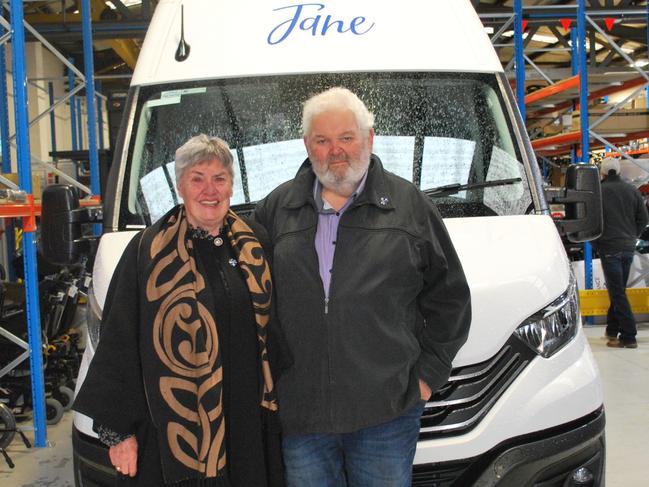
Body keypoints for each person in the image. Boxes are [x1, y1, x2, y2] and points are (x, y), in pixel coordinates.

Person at [254, 87, 472, 486]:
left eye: (346, 138)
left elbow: (451, 299)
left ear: (369, 139)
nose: (335, 151)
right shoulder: (276, 209)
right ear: (307, 146)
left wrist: (427, 376)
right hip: (302, 415)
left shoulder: (409, 207)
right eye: (322, 140)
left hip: (385, 414)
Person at [74, 134, 289, 486]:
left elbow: (277, 330)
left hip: (249, 423)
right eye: (197, 179)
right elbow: (119, 342)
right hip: (180, 431)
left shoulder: (255, 241)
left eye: (219, 178)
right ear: (179, 186)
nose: (210, 190)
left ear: (231, 186)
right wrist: (119, 432)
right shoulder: (148, 253)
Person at [597, 157, 648, 349]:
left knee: (617, 291)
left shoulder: (599, 192)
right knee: (618, 290)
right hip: (627, 247)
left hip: (609, 246)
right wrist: (632, 235)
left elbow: (592, 221)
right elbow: (643, 218)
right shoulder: (632, 190)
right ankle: (612, 329)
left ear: (602, 173)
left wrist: (597, 242)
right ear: (618, 172)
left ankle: (628, 336)